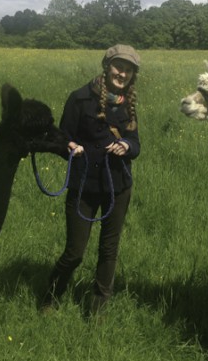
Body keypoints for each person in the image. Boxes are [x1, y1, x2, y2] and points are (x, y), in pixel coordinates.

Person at [41, 44, 141, 315]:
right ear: (107, 66)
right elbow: (61, 137)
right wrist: (71, 147)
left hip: (117, 187)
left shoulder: (128, 104)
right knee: (74, 252)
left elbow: (135, 142)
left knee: (109, 251)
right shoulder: (80, 98)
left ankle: (96, 312)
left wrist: (127, 147)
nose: (122, 73)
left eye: (128, 70)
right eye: (119, 66)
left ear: (132, 75)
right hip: (83, 184)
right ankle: (50, 297)